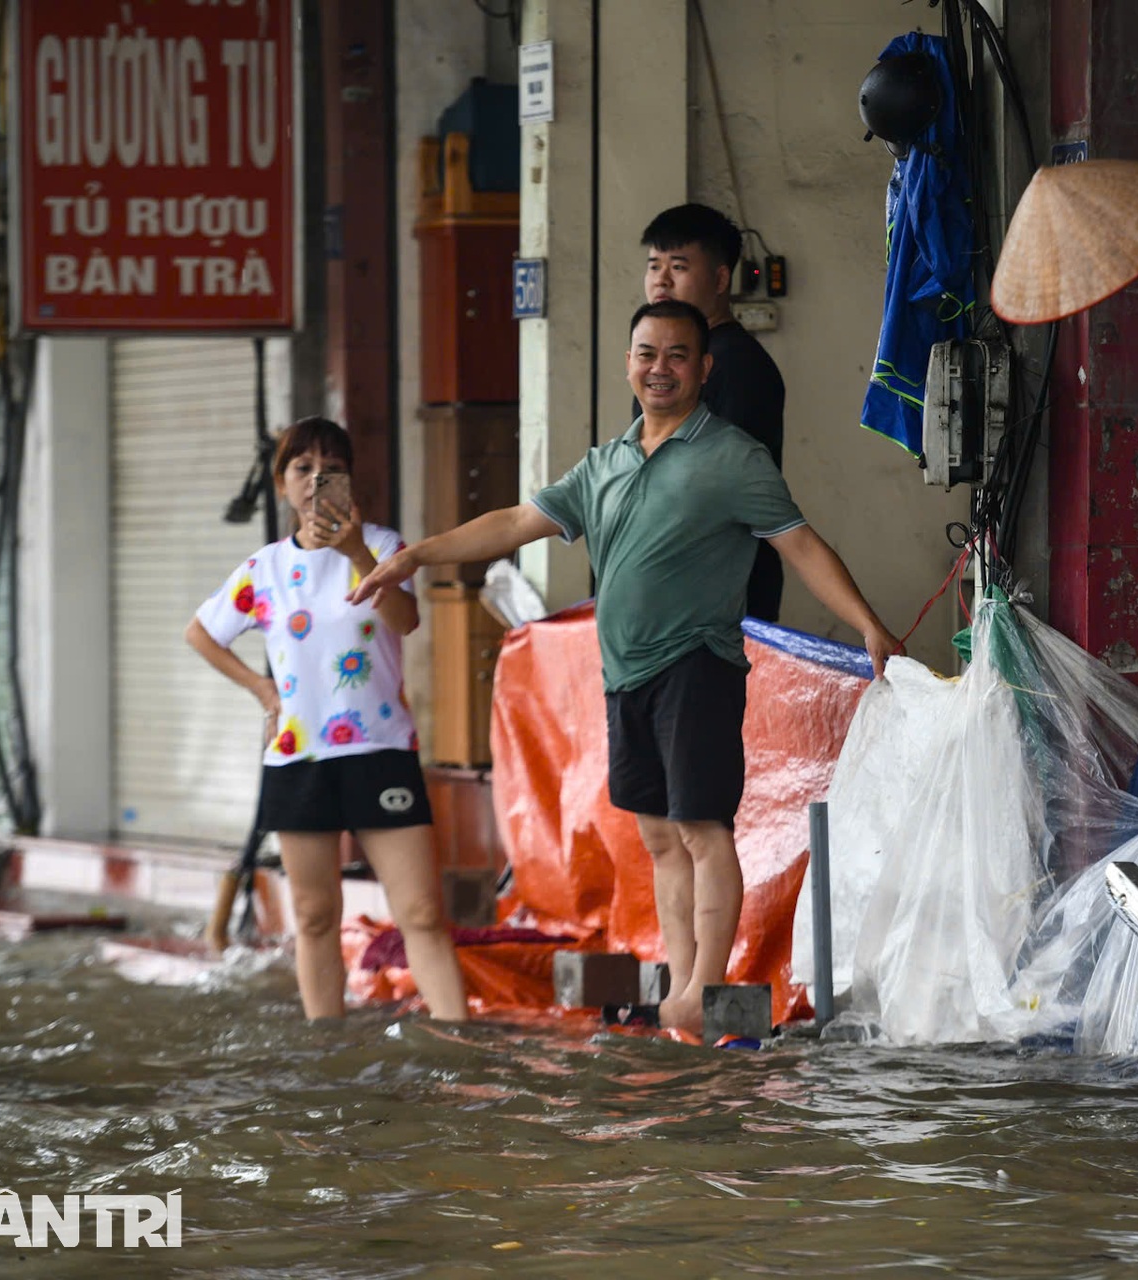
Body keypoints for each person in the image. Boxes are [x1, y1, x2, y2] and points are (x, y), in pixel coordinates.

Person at [352, 299, 903, 1035]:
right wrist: (418, 554)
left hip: (697, 666)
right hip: (625, 676)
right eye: (647, 353)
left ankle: (706, 983)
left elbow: (800, 545)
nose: (660, 368)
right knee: (656, 835)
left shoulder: (733, 457)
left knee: (703, 830)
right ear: (628, 363)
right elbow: (517, 522)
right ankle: (680, 979)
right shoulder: (605, 462)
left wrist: (867, 622)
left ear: (704, 369)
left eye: (678, 355)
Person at [186, 416, 469, 1023]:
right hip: (299, 757)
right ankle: (326, 1043)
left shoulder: (385, 547)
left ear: (350, 480)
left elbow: (405, 621)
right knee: (314, 917)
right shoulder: (263, 569)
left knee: (420, 911)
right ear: (282, 485)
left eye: (331, 469)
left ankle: (457, 1039)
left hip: (382, 749)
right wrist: (263, 689)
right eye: (302, 468)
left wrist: (356, 552)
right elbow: (202, 633)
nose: (317, 480)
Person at [641, 202, 789, 623]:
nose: (661, 280)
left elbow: (722, 491)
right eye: (654, 266)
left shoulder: (737, 365)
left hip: (719, 590)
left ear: (721, 278)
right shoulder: (667, 365)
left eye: (679, 266)